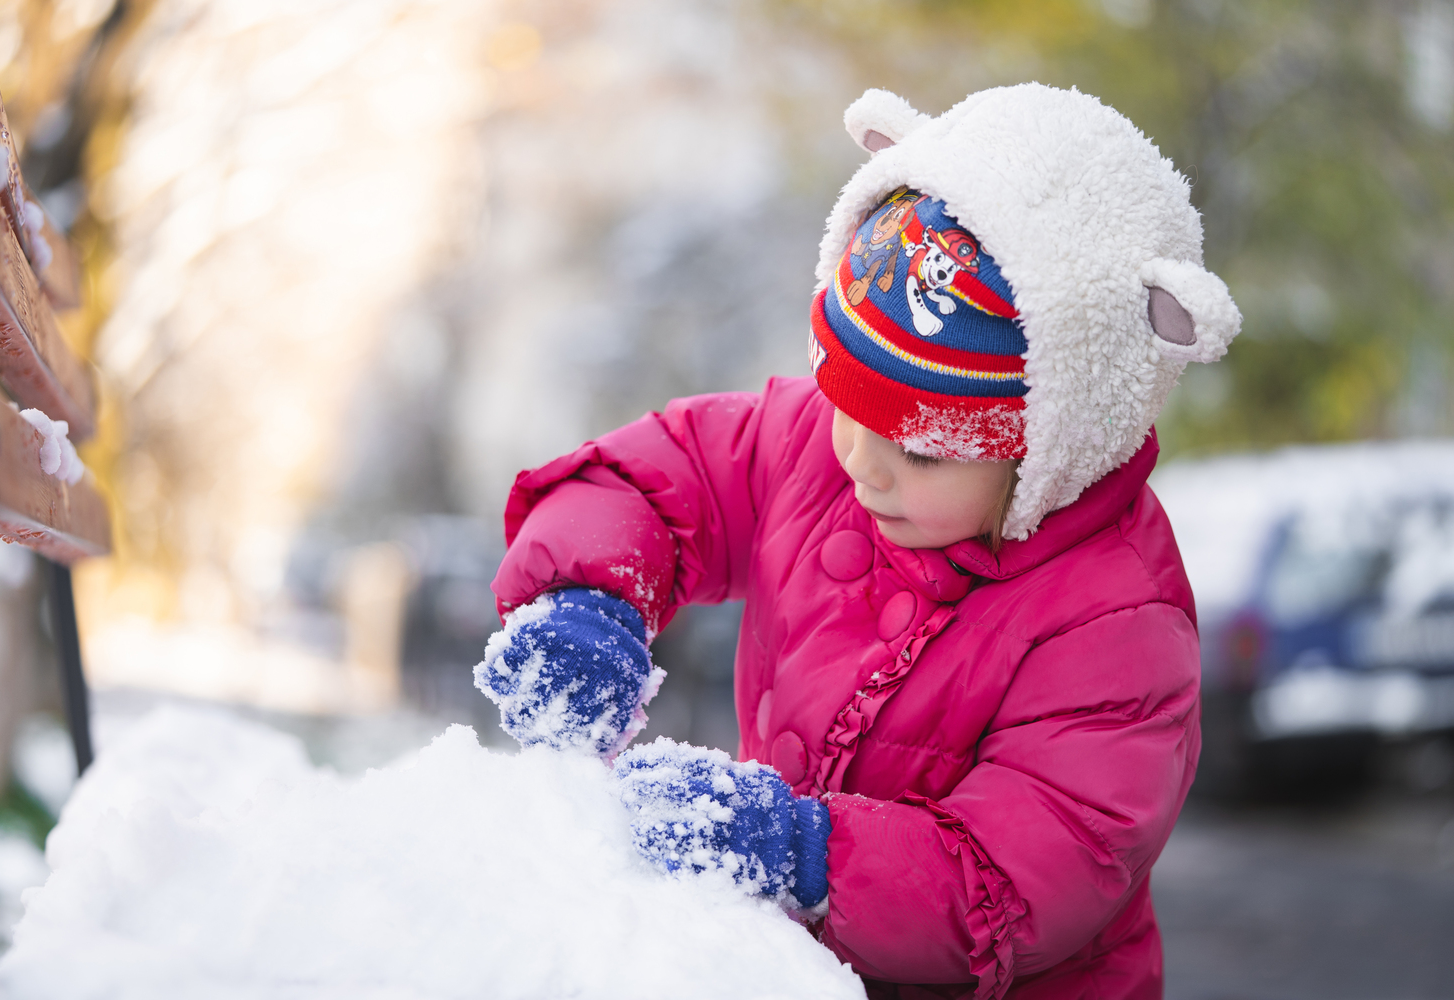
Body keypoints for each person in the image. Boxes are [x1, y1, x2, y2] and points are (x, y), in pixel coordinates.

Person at [474, 83, 1241, 999]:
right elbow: (654, 479)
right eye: (845, 403)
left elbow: (1009, 885)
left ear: (1051, 448)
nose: (861, 464)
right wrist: (587, 600)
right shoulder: (814, 451)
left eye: (919, 448)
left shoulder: (1117, 626)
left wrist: (801, 851)